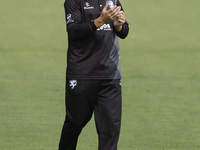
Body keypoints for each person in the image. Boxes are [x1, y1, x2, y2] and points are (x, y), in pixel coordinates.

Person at [58, 0, 129, 149]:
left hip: (111, 75)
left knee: (110, 132)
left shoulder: (113, 0)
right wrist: (101, 20)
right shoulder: (73, 2)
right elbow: (74, 31)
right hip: (82, 73)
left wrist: (119, 25)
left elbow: (124, 31)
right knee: (75, 123)